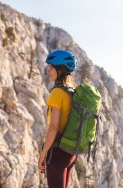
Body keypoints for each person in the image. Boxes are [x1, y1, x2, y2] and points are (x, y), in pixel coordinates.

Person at [38, 50, 77, 188]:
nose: (48, 70)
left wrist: (42, 155)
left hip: (58, 153)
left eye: (51, 66)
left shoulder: (57, 93)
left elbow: (53, 128)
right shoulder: (72, 90)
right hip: (71, 153)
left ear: (60, 69)